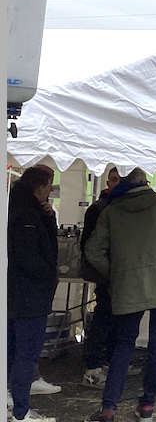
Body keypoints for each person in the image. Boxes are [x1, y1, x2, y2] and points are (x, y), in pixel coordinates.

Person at [84, 168, 156, 422]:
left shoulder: (111, 212)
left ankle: (108, 408)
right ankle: (147, 406)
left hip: (128, 286)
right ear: (145, 183)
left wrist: (116, 272)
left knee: (123, 345)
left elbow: (93, 252)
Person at [8, 165, 58, 422]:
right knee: (25, 354)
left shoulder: (20, 207)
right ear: (39, 187)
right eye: (50, 185)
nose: (51, 190)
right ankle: (20, 411)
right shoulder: (25, 214)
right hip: (28, 296)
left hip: (17, 295)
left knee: (13, 352)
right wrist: (49, 276)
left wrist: (49, 218)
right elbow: (31, 258)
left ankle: (13, 402)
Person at [80, 168, 121, 390]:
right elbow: (90, 246)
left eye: (120, 180)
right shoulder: (98, 209)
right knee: (103, 318)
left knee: (115, 319)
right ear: (107, 182)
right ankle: (93, 367)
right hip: (104, 274)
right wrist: (106, 269)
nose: (116, 184)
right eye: (113, 180)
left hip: (116, 273)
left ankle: (108, 361)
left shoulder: (115, 207)